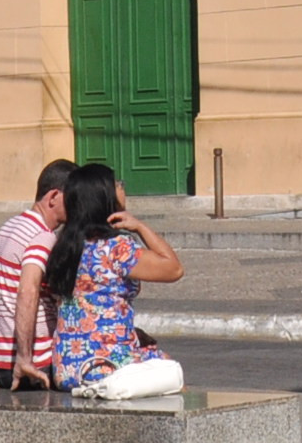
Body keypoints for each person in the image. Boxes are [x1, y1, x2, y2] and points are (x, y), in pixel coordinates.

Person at [14, 162, 184, 400]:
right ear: (104, 197)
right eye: (117, 185)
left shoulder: (62, 247)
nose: (122, 189)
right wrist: (139, 226)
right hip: (107, 366)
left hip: (66, 367)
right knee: (170, 372)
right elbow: (174, 269)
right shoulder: (117, 249)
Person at [0, 159, 74, 388]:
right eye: (73, 200)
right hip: (34, 363)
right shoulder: (43, 236)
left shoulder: (9, 227)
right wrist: (24, 358)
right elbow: (27, 292)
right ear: (53, 197)